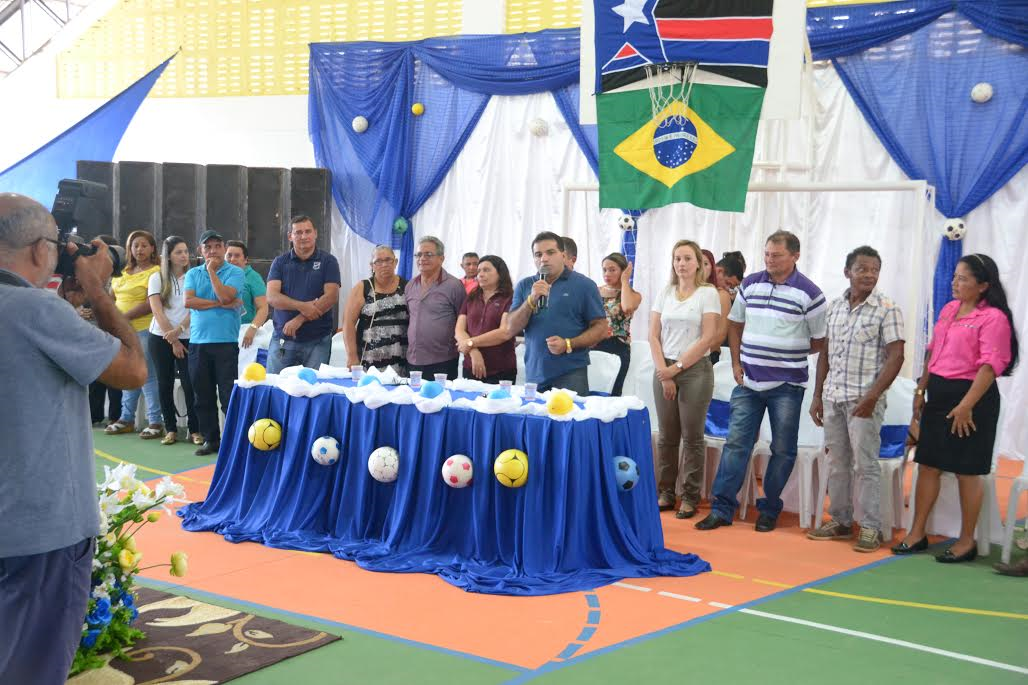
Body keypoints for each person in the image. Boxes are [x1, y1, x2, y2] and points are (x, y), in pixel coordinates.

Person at [0, 193, 147, 685]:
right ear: (43, 250)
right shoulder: (35, 309)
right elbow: (132, 370)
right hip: (39, 533)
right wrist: (99, 289)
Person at [696, 230, 827, 533]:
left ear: (795, 256)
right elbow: (734, 325)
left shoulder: (810, 294)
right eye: (767, 254)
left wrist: (787, 351)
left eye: (777, 255)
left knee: (782, 449)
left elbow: (820, 341)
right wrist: (736, 363)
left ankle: (769, 509)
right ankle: (721, 508)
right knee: (736, 445)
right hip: (748, 381)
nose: (769, 260)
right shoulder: (750, 284)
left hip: (787, 385)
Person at [892, 253, 1017, 563]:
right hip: (939, 395)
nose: (955, 283)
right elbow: (932, 353)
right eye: (955, 277)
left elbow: (990, 367)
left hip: (973, 400)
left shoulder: (994, 318)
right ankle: (917, 532)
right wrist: (921, 390)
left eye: (963, 278)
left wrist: (966, 405)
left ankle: (966, 540)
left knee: (966, 471)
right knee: (929, 464)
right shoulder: (949, 309)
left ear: (983, 285)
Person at [807, 246, 904, 552]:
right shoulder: (834, 308)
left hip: (864, 401)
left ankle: (872, 527)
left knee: (866, 465)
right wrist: (818, 395)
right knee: (837, 463)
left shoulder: (888, 308)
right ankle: (841, 520)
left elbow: (896, 356)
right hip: (834, 396)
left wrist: (873, 397)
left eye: (875, 269)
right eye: (862, 269)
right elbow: (824, 354)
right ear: (847, 272)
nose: (869, 275)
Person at [650, 240, 721, 518]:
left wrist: (676, 369)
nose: (681, 263)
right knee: (667, 437)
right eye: (677, 258)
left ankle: (690, 496)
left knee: (692, 438)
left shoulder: (708, 293)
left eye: (687, 258)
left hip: (694, 370)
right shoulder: (666, 292)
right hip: (664, 369)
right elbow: (653, 335)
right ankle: (666, 492)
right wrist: (664, 373)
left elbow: (708, 338)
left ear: (698, 264)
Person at [508, 232, 607, 395]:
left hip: (570, 372)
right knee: (536, 420)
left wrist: (568, 343)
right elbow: (511, 328)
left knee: (569, 419)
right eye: (538, 254)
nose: (544, 259)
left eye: (550, 253)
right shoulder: (525, 285)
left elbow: (601, 328)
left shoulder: (584, 285)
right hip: (535, 373)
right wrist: (531, 300)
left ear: (563, 255)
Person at [184, 229, 245, 456]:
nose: (212, 251)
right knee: (203, 395)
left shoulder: (235, 272)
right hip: (198, 343)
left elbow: (226, 296)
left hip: (225, 343)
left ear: (223, 248)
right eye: (207, 247)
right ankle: (211, 440)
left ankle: (233, 441)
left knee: (228, 396)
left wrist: (211, 273)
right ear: (200, 250)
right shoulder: (192, 274)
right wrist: (219, 304)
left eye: (217, 246)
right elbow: (189, 301)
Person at [103, 229, 164, 439]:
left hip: (145, 330)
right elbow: (110, 298)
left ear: (152, 248)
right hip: (121, 334)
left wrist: (124, 318)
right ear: (129, 249)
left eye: (144, 245)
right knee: (129, 375)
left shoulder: (156, 271)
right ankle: (126, 419)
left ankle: (155, 422)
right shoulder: (121, 272)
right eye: (135, 245)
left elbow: (151, 303)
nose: (139, 249)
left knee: (147, 376)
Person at [265, 215, 341, 373]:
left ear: (315, 233)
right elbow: (272, 297)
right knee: (275, 388)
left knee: (313, 392)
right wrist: (303, 306)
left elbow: (331, 297)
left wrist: (300, 319)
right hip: (283, 340)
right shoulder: (280, 262)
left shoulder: (329, 261)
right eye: (298, 232)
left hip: (318, 340)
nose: (304, 236)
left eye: (308, 231)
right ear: (290, 237)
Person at [147, 236, 201, 446]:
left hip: (187, 337)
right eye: (179, 252)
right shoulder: (156, 278)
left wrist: (179, 332)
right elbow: (157, 311)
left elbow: (194, 309)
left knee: (190, 384)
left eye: (186, 251)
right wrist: (173, 340)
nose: (184, 256)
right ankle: (170, 429)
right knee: (164, 383)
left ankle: (195, 430)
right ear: (168, 256)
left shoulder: (193, 276)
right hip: (160, 338)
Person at [405, 236, 467, 379]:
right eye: (419, 254)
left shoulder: (454, 286)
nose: (422, 258)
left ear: (441, 258)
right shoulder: (410, 286)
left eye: (428, 254)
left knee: (441, 399)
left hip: (443, 361)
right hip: (413, 360)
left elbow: (463, 321)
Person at [342, 244, 408, 373]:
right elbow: (348, 323)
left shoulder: (407, 287)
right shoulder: (362, 287)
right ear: (372, 265)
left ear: (395, 262)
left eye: (388, 260)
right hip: (368, 361)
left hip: (401, 360)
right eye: (378, 261)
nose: (384, 265)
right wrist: (351, 356)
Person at [456, 255, 516, 383]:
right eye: (479, 271)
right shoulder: (471, 297)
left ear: (500, 273)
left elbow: (504, 332)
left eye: (486, 270)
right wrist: (473, 351)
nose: (480, 274)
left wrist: (470, 343)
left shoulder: (510, 298)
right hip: (470, 366)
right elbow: (459, 329)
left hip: (501, 370)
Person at [85, 234, 122, 425]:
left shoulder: (119, 276)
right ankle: (94, 415)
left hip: (114, 330)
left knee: (114, 374)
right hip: (92, 330)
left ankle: (115, 416)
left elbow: (118, 301)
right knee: (95, 375)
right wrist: (82, 310)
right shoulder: (89, 273)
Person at [594, 252, 641, 396]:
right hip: (593, 344)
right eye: (604, 269)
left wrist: (625, 281)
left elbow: (627, 307)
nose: (607, 273)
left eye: (612, 269)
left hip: (617, 346)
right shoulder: (595, 290)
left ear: (622, 271)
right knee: (592, 391)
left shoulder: (633, 295)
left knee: (613, 394)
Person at [225, 240, 269, 349]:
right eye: (229, 255)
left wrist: (252, 329)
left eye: (237, 256)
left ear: (245, 260)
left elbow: (263, 307)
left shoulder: (253, 277)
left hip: (244, 334)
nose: (232, 259)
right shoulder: (218, 275)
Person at [701, 248, 732, 366]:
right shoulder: (682, 293)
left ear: (713, 268)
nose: (701, 267)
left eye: (705, 263)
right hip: (678, 356)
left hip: (707, 357)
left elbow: (720, 335)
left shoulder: (721, 295)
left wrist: (692, 356)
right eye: (697, 262)